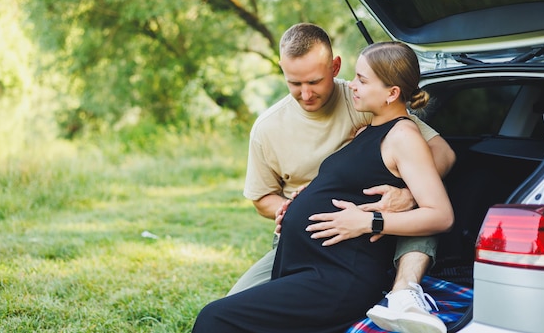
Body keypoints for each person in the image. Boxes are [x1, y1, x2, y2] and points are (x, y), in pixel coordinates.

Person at [192, 41, 455, 333]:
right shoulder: (368, 130)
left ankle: (404, 294)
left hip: (338, 276)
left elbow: (440, 215)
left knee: (214, 319)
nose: (352, 86)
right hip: (308, 265)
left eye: (362, 80)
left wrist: (370, 220)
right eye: (356, 76)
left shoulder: (403, 135)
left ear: (392, 93)